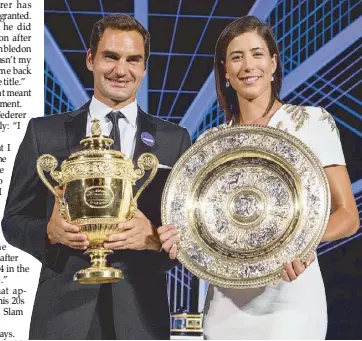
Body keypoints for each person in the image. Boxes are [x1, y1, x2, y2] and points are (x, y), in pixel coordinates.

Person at [158, 16, 359, 339]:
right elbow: (197, 224)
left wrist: (303, 245)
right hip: (224, 308)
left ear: (274, 63)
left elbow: (348, 216)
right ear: (225, 71)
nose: (248, 65)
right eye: (237, 57)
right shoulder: (210, 144)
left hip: (290, 303)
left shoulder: (311, 122)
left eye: (257, 54)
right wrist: (176, 237)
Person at [2, 14, 191, 340]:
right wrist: (49, 232)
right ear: (91, 59)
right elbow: (13, 221)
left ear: (144, 67)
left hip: (142, 317)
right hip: (62, 314)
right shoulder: (43, 133)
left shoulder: (174, 139)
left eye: (133, 60)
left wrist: (154, 239)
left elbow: (191, 236)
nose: (121, 70)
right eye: (111, 57)